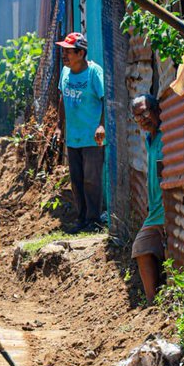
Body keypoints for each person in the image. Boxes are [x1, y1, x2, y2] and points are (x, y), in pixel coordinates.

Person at [56, 32, 106, 231]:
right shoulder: (65, 72)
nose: (64, 55)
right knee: (76, 180)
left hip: (93, 137)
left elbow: (104, 99)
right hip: (73, 137)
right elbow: (62, 98)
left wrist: (101, 125)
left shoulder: (94, 73)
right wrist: (60, 126)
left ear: (80, 53)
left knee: (91, 180)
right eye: (64, 51)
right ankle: (82, 218)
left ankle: (94, 220)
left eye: (68, 52)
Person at [131, 94, 165, 303]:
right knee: (141, 248)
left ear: (156, 109)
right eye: (137, 117)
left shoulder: (166, 134)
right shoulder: (149, 138)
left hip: (168, 208)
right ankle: (152, 302)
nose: (142, 119)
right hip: (155, 210)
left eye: (144, 113)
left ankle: (168, 298)